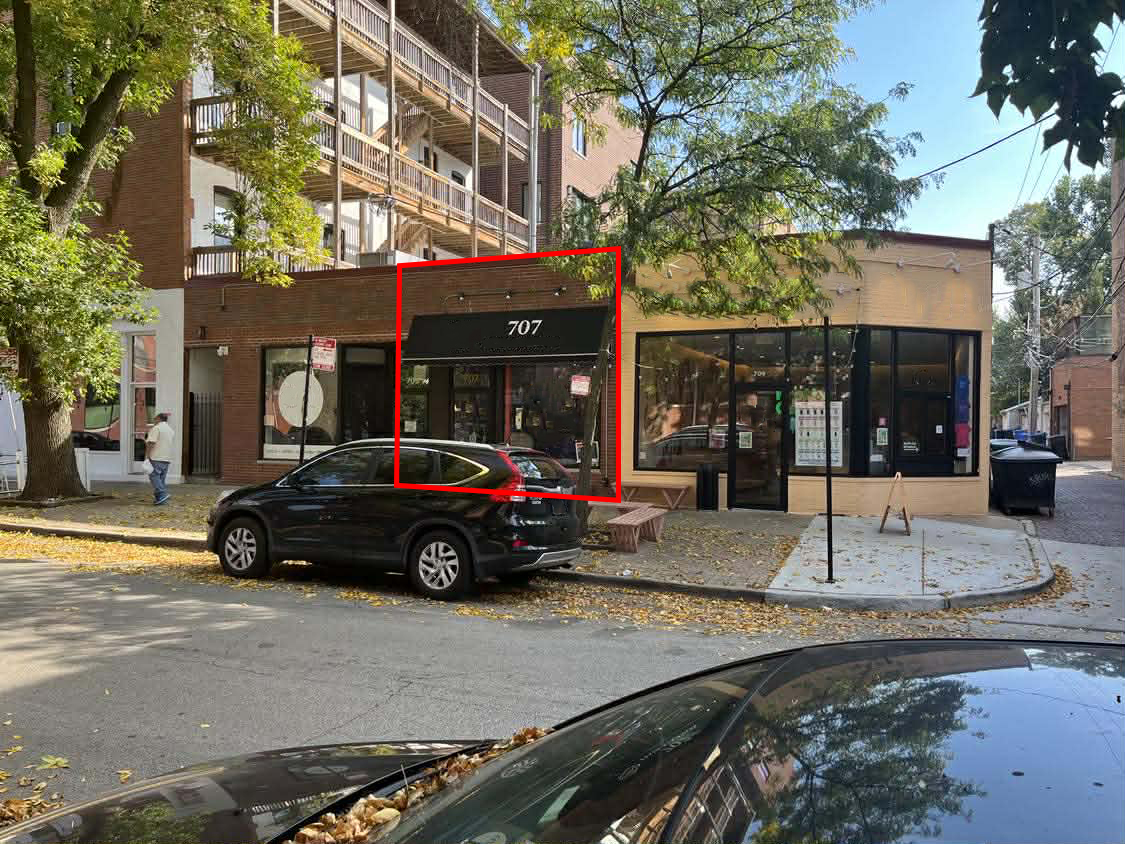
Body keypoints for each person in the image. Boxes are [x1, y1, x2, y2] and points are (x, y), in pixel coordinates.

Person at [145, 411, 175, 506]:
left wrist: (147, 455)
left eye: (155, 419)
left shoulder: (156, 428)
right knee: (161, 479)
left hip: (156, 456)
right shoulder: (170, 430)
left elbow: (151, 442)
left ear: (159, 419)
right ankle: (160, 499)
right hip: (166, 457)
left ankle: (162, 494)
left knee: (154, 476)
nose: (154, 420)